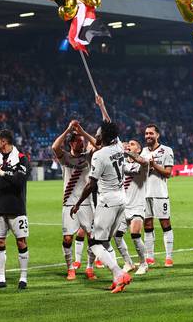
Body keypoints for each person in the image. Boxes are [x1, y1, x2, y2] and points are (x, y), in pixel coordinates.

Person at [71, 121, 132, 294]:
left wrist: (77, 203)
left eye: (98, 133)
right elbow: (110, 125)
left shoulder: (100, 155)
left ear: (104, 136)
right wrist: (102, 107)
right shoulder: (119, 147)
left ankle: (118, 273)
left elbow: (91, 185)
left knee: (94, 243)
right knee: (105, 241)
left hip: (107, 201)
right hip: (121, 199)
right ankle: (116, 281)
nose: (96, 135)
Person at [52, 119, 99, 281]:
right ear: (71, 143)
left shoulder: (88, 157)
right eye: (79, 141)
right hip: (69, 203)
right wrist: (68, 129)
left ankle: (90, 268)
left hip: (86, 203)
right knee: (67, 238)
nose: (82, 143)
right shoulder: (64, 157)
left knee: (92, 236)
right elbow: (54, 147)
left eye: (83, 141)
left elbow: (98, 145)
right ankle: (70, 268)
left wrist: (82, 131)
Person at [0, 129, 31, 290]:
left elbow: (19, 181)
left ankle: (23, 279)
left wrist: (0, 172)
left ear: (4, 142)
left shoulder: (21, 158)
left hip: (16, 208)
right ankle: (1, 279)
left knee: (21, 242)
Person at [113, 139, 150, 275]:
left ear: (139, 150)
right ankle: (128, 262)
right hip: (123, 206)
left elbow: (142, 161)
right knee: (116, 236)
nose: (129, 145)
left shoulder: (144, 162)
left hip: (137, 205)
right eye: (128, 143)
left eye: (133, 144)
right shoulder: (122, 164)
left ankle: (143, 263)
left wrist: (126, 152)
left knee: (135, 235)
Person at [141, 124, 174, 267]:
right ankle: (150, 257)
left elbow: (168, 173)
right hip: (144, 194)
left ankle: (168, 257)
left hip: (160, 194)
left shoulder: (166, 150)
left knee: (165, 223)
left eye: (151, 133)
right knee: (147, 224)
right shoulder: (142, 152)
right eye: (146, 133)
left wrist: (154, 165)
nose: (148, 136)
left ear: (157, 135)